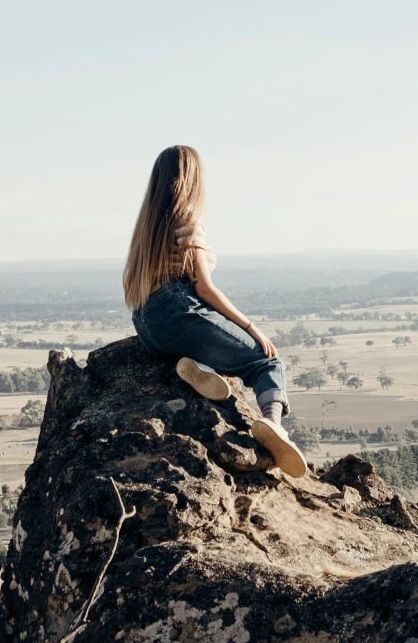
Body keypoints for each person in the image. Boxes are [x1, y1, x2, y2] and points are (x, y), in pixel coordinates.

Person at [123, 144, 307, 477]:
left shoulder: (146, 229)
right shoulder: (187, 220)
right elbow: (204, 289)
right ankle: (273, 424)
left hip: (148, 328)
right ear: (192, 179)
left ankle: (199, 368)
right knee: (266, 360)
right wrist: (252, 328)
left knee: (209, 343)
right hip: (178, 313)